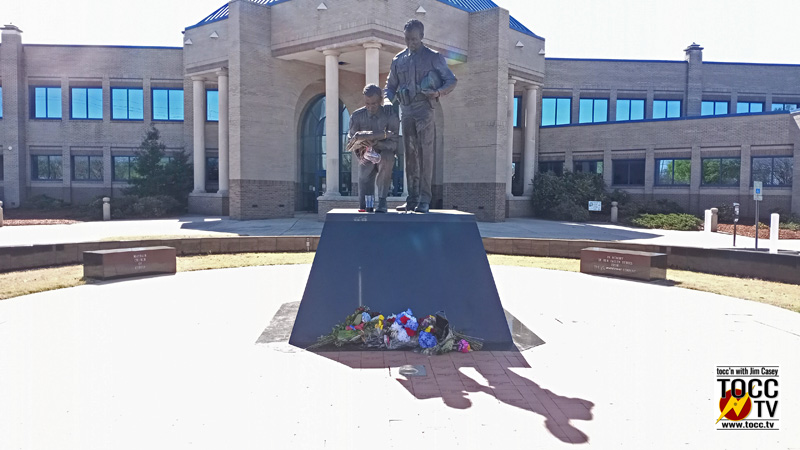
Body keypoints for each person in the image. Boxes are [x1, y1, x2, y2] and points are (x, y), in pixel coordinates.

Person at [385, 19, 457, 213]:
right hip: (406, 110)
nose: (411, 43)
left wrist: (438, 92)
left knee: (425, 154)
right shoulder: (398, 59)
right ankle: (412, 198)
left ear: (422, 37)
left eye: (414, 39)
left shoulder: (433, 57)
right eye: (407, 39)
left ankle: (425, 199)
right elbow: (390, 87)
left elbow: (451, 80)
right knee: (409, 156)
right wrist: (387, 102)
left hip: (424, 108)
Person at [348, 84, 400, 213]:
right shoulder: (357, 116)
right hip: (365, 154)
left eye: (374, 104)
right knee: (365, 180)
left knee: (387, 159)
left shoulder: (390, 116)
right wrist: (365, 145)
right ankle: (367, 205)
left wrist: (376, 143)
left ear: (381, 100)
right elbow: (351, 141)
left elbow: (394, 143)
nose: (370, 107)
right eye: (367, 104)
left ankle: (382, 201)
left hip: (384, 152)